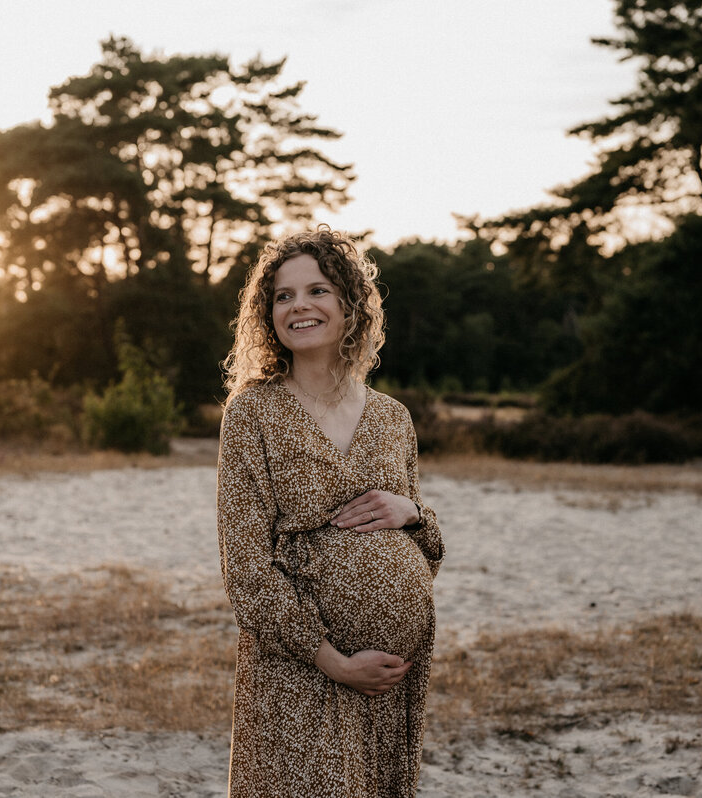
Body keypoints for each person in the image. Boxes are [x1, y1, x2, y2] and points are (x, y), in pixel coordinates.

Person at [217, 227, 444, 797]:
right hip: (299, 670)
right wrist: (334, 661)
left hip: (390, 682)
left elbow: (428, 552)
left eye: (316, 290)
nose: (298, 306)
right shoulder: (252, 416)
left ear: (350, 304)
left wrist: (413, 513)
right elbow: (245, 569)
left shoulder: (394, 418)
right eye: (282, 296)